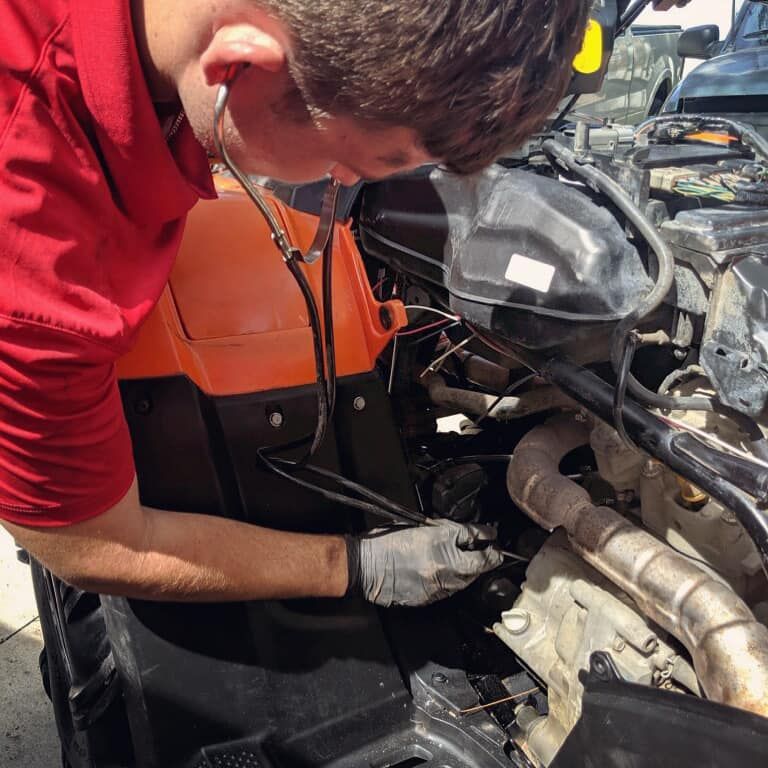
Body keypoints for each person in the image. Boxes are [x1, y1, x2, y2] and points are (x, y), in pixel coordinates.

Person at [0, 0, 682, 609]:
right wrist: (351, 565)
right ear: (239, 62)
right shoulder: (35, 271)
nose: (351, 184)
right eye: (359, 165)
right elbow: (91, 545)